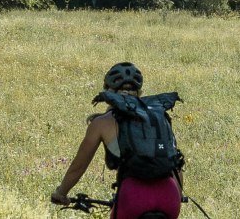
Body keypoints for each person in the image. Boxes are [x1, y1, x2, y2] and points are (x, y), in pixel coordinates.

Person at [50, 62, 186, 218]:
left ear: (108, 93)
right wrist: (178, 196)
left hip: (133, 198)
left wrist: (61, 193)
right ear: (139, 93)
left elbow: (78, 167)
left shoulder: (100, 123)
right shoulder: (157, 117)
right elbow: (176, 163)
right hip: (169, 196)